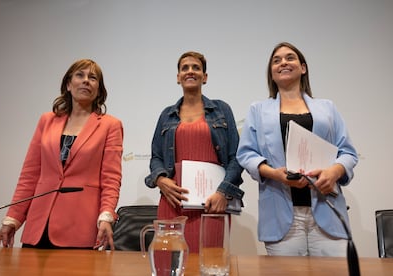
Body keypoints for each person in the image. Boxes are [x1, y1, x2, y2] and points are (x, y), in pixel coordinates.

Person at [236, 42, 358, 256]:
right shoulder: (258, 110)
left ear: (303, 68)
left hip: (327, 207)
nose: (283, 62)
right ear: (272, 74)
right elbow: (246, 154)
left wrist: (334, 172)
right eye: (276, 60)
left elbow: (347, 152)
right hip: (281, 214)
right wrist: (274, 173)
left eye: (290, 58)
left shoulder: (327, 108)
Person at [0, 59, 124, 250]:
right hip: (38, 227)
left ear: (99, 89)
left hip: (79, 228)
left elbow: (111, 179)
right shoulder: (46, 120)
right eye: (80, 75)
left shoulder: (110, 125)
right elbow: (29, 175)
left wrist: (106, 216)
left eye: (93, 77)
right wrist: (12, 218)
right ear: (68, 84)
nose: (86, 81)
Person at [145, 51, 244, 253]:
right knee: (172, 265)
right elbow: (156, 157)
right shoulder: (166, 114)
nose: (190, 71)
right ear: (178, 77)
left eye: (196, 67)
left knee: (210, 264)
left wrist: (223, 193)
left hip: (212, 204)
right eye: (185, 68)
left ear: (205, 77)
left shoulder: (221, 109)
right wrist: (161, 180)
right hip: (173, 202)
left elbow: (236, 157)